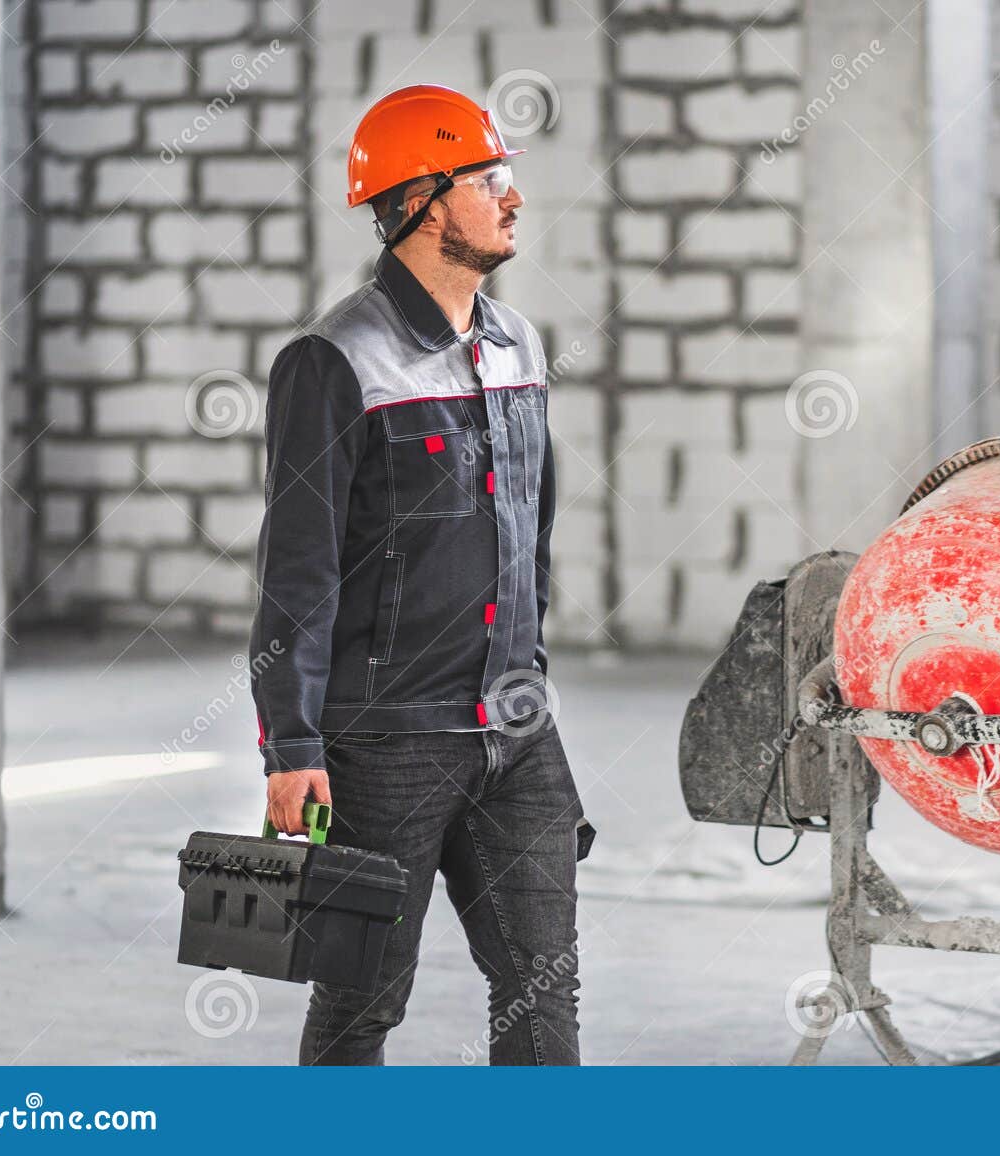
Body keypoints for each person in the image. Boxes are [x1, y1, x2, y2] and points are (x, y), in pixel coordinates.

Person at [248, 83, 593, 1065]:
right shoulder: (334, 359)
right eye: (490, 179)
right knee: (361, 1005)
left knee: (542, 992)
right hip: (384, 743)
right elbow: (297, 569)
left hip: (516, 730)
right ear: (422, 200)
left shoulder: (515, 343)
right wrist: (291, 746)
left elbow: (535, 524)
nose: (512, 197)